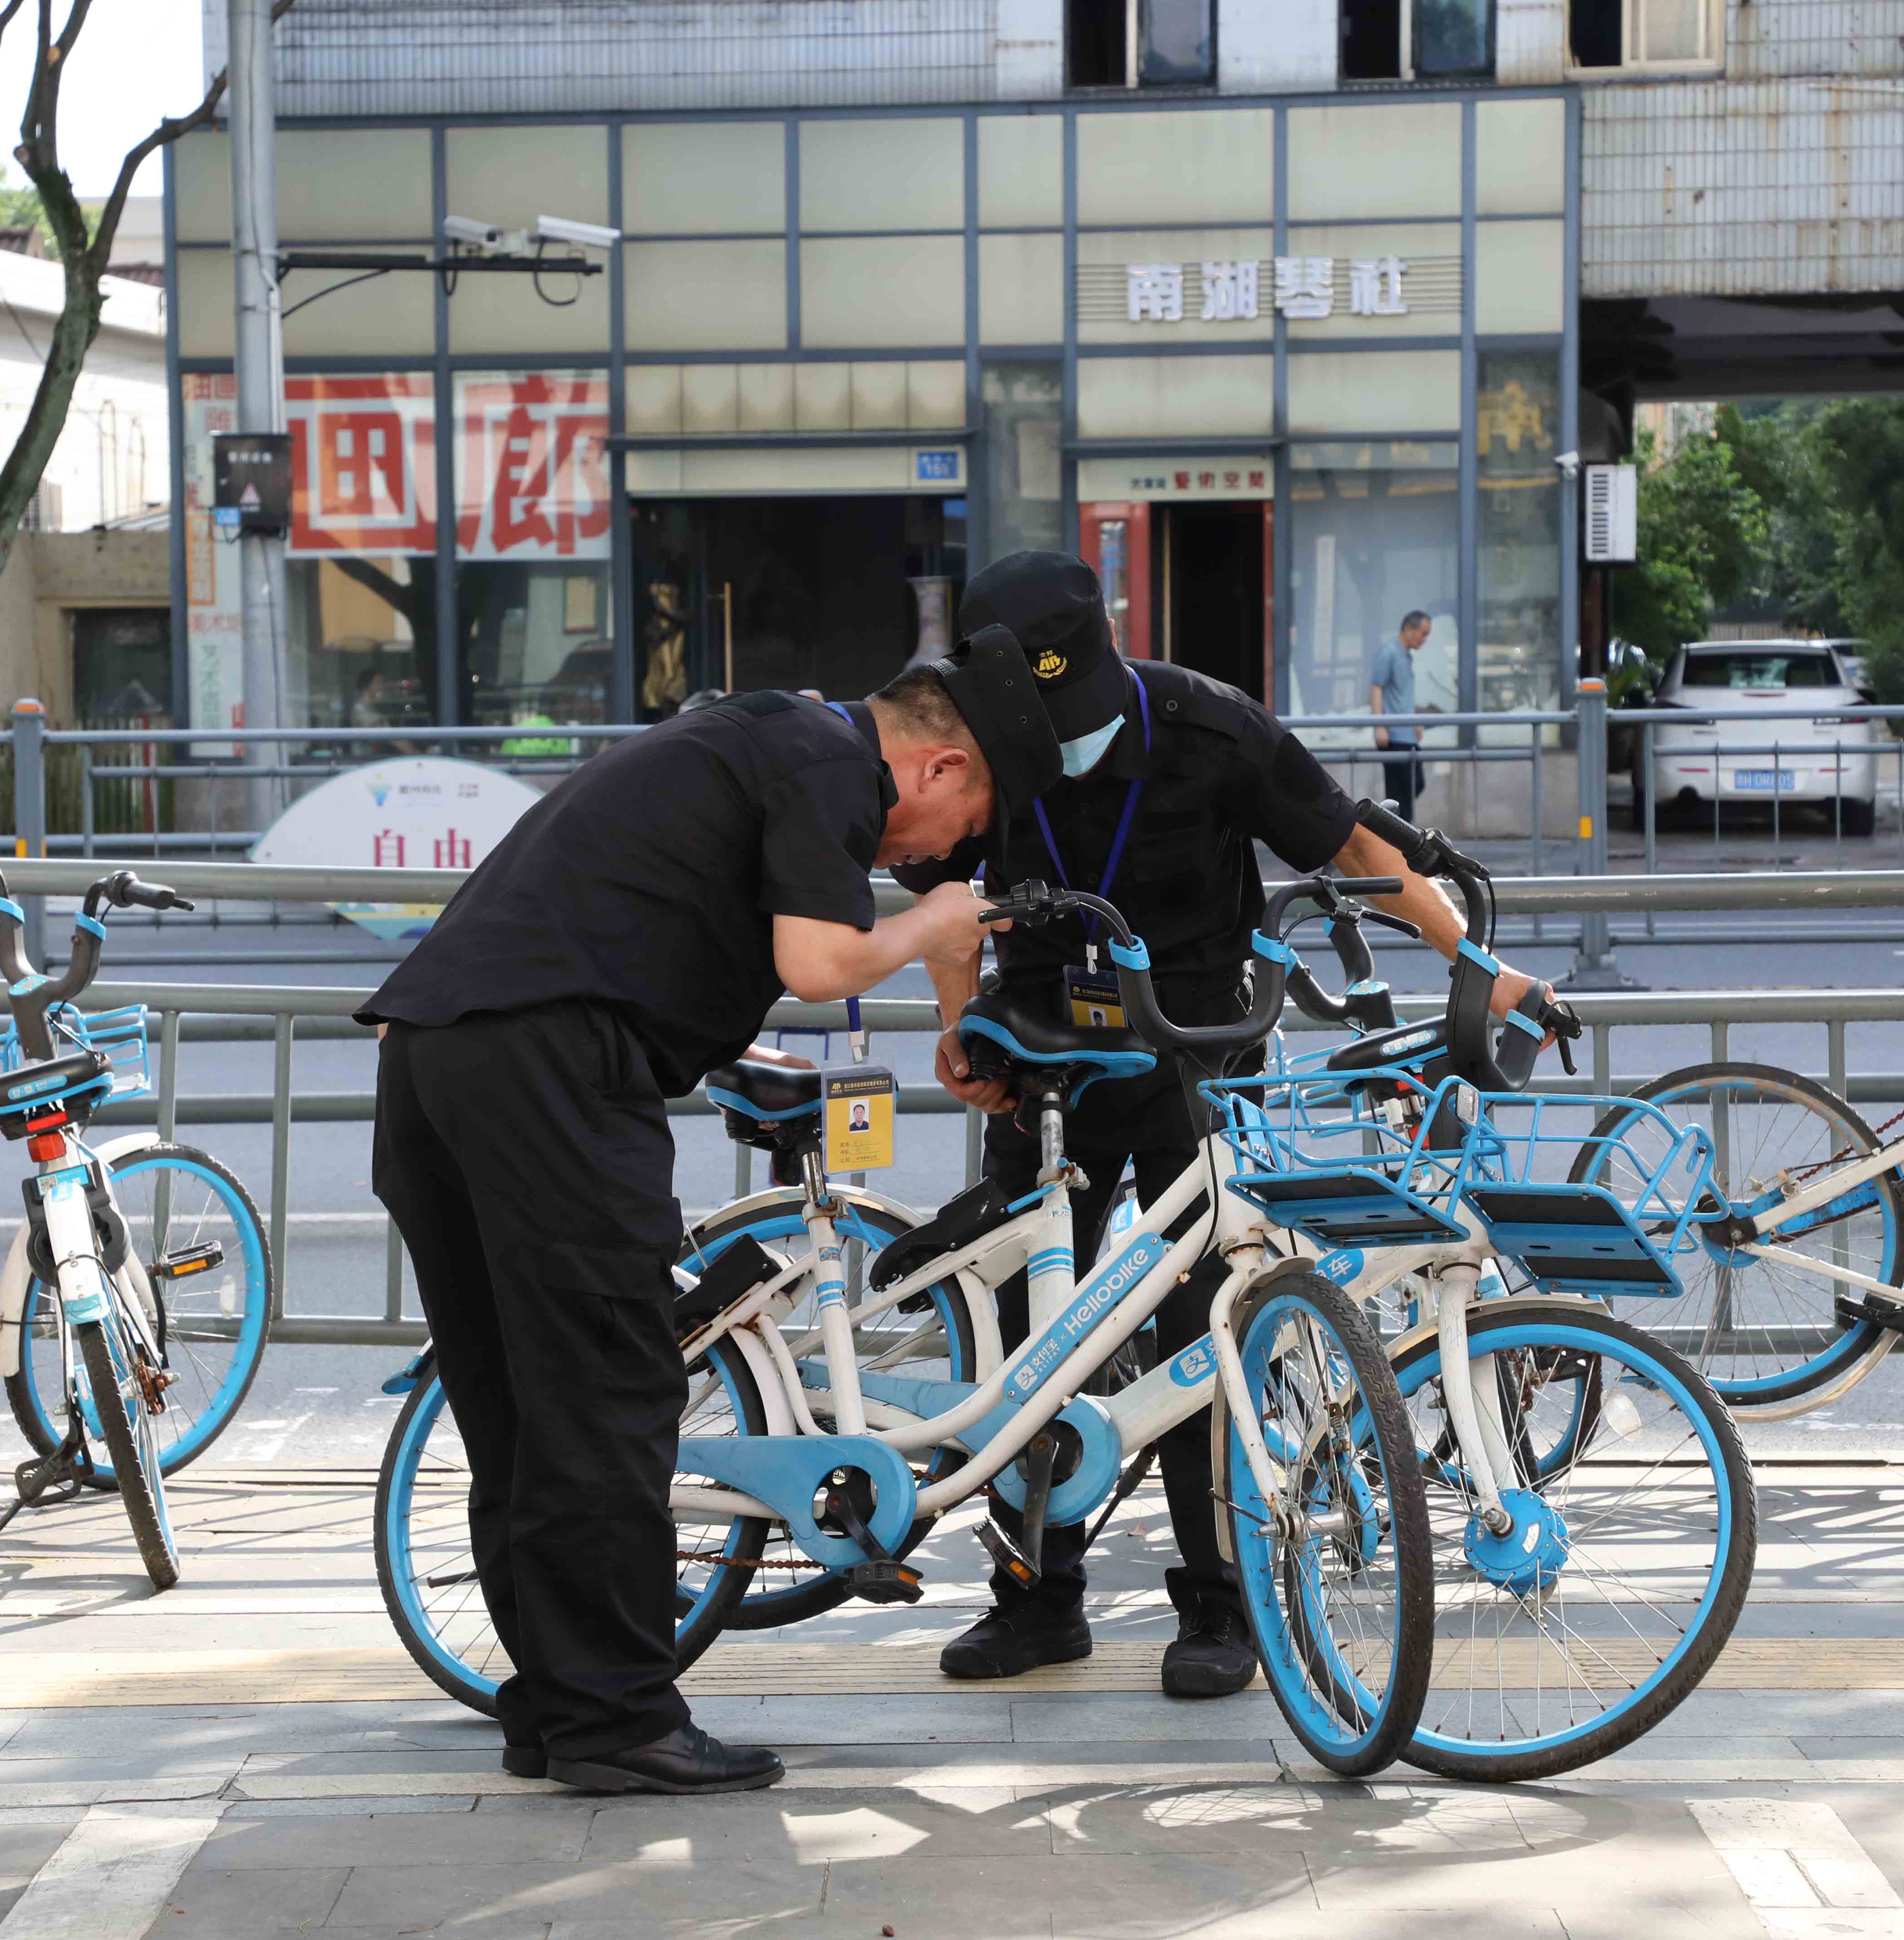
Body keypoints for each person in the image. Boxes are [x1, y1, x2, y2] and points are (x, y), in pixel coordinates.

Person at [361, 631, 1066, 1797]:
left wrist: (940, 990)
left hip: (436, 1054)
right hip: (551, 1063)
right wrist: (936, 927)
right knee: (610, 1385)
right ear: (940, 767)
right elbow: (823, 961)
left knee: (520, 1400)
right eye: (969, 822)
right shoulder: (833, 767)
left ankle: (558, 1705)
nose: (948, 853)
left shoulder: (765, 730)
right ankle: (617, 1718)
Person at [901, 554, 1537, 1697]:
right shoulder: (982, 746)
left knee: (1205, 1329)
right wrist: (961, 1031)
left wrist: (1478, 967)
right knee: (1022, 1330)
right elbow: (949, 902)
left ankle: (1220, 1600)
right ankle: (1035, 1594)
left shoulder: (1210, 725)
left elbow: (1352, 846)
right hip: (1045, 1065)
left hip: (1195, 1058)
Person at [1372, 610, 1430, 816]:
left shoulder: (1406, 656)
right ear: (1409, 629)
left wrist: (1414, 721)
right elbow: (1376, 687)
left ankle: (1398, 830)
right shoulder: (1389, 653)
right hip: (1394, 736)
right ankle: (1397, 832)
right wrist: (1379, 726)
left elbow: (1402, 694)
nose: (1425, 639)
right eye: (1424, 634)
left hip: (1407, 734)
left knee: (1413, 787)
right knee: (1400, 794)